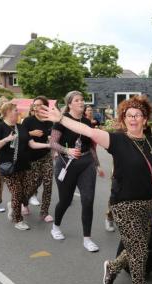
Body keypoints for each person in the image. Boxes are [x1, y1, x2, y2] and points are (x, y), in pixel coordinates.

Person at [39, 95, 152, 284]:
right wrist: (61, 119)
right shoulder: (117, 140)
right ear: (123, 119)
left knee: (137, 247)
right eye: (129, 115)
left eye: (138, 115)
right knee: (138, 250)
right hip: (124, 203)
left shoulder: (151, 141)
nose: (133, 119)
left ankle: (112, 267)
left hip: (146, 202)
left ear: (145, 119)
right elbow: (88, 131)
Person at [48, 91, 104, 252]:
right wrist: (67, 150)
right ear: (70, 104)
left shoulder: (87, 121)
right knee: (65, 200)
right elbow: (52, 143)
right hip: (66, 163)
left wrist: (97, 164)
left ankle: (87, 239)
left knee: (88, 200)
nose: (81, 102)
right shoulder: (61, 120)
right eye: (77, 100)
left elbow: (92, 146)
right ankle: (56, 227)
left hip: (86, 163)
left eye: (82, 100)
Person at [0, 102, 50, 230]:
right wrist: (6, 140)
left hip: (24, 165)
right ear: (7, 112)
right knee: (17, 192)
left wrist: (48, 145)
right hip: (9, 167)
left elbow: (32, 144)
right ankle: (17, 219)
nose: (18, 112)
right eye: (15, 110)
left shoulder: (21, 127)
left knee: (26, 192)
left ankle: (12, 204)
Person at [21, 96, 54, 222]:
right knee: (33, 184)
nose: (37, 107)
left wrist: (52, 141)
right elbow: (21, 136)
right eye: (35, 105)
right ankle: (24, 202)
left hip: (46, 156)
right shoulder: (28, 121)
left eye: (40, 104)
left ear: (45, 106)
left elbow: (53, 137)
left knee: (48, 184)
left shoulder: (50, 121)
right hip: (31, 157)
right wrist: (31, 133)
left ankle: (44, 212)